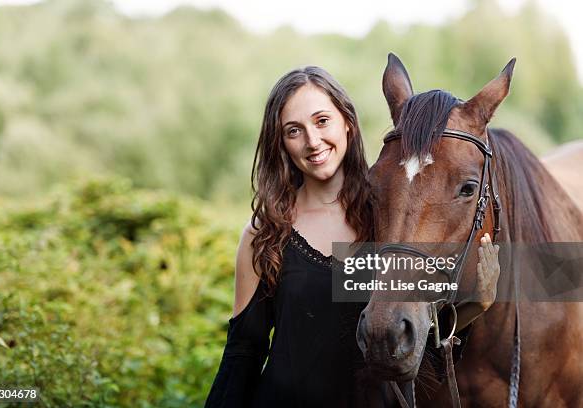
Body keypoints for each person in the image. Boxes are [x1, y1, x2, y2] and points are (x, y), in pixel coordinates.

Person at [204, 66, 500, 408]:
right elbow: (244, 351)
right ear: (281, 142)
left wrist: (477, 304)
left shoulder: (389, 226)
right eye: (294, 130)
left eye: (322, 121)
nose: (313, 141)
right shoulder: (265, 233)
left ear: (347, 121)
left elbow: (413, 341)